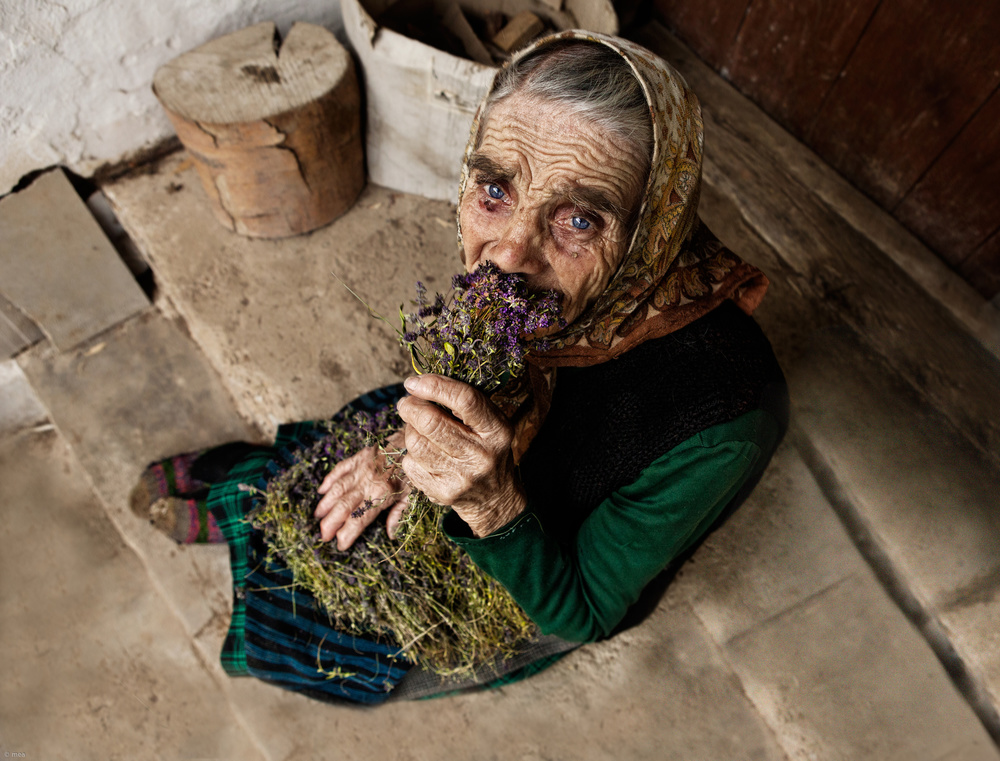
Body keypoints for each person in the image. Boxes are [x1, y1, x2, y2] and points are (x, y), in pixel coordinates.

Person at [131, 30, 787, 704]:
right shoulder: (536, 289)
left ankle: (254, 522)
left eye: (581, 220)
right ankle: (258, 507)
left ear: (653, 226)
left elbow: (586, 610)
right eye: (495, 189)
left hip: (540, 548)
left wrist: (494, 506)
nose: (505, 257)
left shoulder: (722, 417)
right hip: (502, 452)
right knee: (337, 478)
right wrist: (398, 454)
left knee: (343, 623)